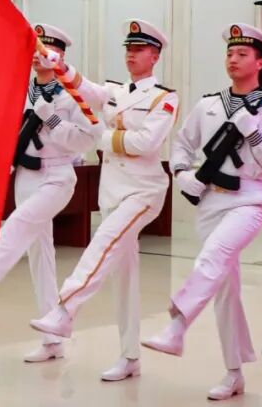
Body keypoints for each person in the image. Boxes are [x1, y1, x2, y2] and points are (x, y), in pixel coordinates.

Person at [141, 23, 262, 401]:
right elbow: (182, 144)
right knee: (226, 290)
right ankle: (234, 373)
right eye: (229, 53)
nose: (233, 59)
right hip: (210, 202)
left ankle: (177, 326)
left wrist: (254, 133)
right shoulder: (208, 105)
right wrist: (182, 174)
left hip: (250, 200)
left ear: (260, 63)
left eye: (242, 54)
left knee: (213, 256)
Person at [0, 24, 102, 363]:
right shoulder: (20, 91)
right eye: (34, 50)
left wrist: (52, 120)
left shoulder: (72, 94)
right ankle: (52, 339)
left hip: (57, 175)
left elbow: (87, 139)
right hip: (25, 176)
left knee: (17, 225)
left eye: (45, 50)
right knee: (40, 257)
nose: (37, 56)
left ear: (59, 55)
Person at [29, 20, 178, 382]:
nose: (131, 54)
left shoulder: (164, 98)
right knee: (123, 277)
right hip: (112, 191)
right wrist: (61, 66)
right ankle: (130, 357)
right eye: (129, 48)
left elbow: (144, 144)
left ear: (155, 56)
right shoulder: (115, 90)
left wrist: (101, 136)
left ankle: (65, 310)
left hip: (143, 191)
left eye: (139, 49)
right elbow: (86, 88)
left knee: (103, 241)